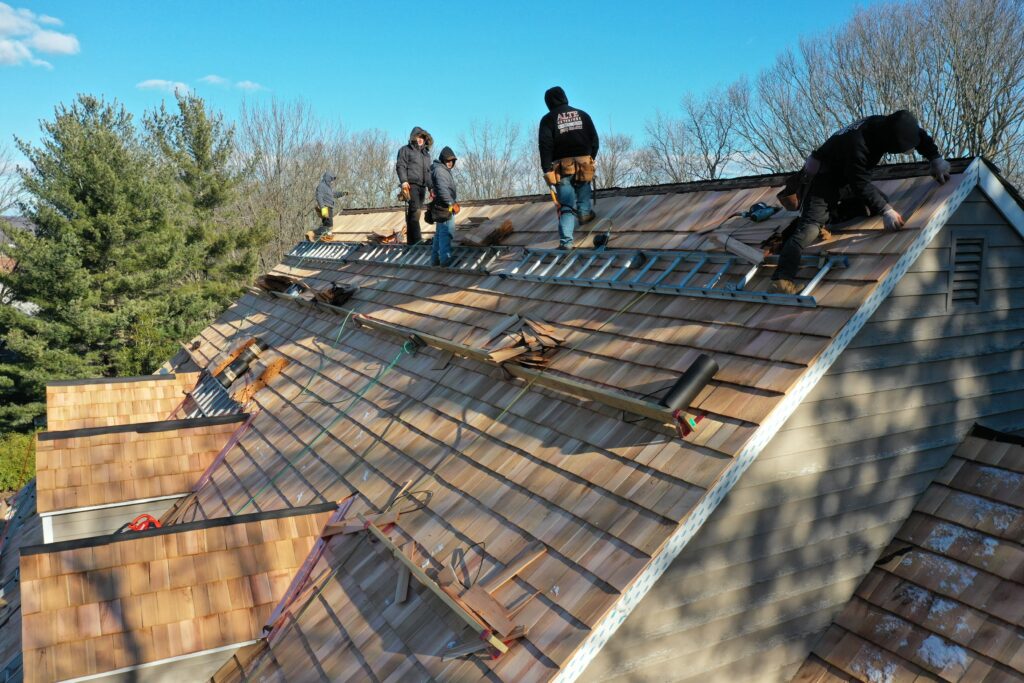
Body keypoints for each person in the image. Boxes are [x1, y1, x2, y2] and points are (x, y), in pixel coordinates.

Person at [771, 110, 951, 294]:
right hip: (822, 178)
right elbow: (859, 184)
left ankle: (829, 219)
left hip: (844, 174)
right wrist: (886, 211)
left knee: (876, 204)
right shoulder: (858, 144)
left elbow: (917, 134)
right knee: (810, 227)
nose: (908, 151)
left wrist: (935, 158)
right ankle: (782, 279)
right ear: (890, 142)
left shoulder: (891, 125)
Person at [538, 86, 600, 250]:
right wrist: (591, 157)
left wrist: (547, 169)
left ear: (548, 102)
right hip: (584, 160)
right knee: (583, 185)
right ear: (564, 97)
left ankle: (566, 242)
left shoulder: (548, 119)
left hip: (562, 165)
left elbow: (545, 146)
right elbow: (594, 139)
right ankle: (585, 213)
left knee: (566, 205)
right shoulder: (583, 115)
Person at [395, 126, 434, 244]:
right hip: (411, 185)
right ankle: (417, 240)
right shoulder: (405, 150)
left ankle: (411, 243)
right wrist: (404, 181)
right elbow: (400, 166)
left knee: (414, 213)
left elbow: (428, 172)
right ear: (414, 137)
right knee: (415, 211)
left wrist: (431, 187)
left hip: (422, 186)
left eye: (423, 137)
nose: (421, 139)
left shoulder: (426, 154)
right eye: (418, 136)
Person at [428, 146, 460, 266]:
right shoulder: (440, 171)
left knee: (439, 234)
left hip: (441, 206)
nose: (450, 163)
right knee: (446, 232)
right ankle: (446, 259)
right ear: (443, 160)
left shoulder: (440, 170)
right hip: (445, 207)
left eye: (452, 161)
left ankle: (435, 260)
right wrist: (452, 204)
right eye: (448, 160)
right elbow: (442, 190)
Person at [313, 171, 346, 240]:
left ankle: (324, 235)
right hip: (325, 207)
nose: (332, 181)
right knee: (329, 223)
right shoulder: (321, 186)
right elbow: (319, 196)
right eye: (331, 179)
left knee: (327, 223)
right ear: (327, 178)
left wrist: (343, 193)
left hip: (329, 207)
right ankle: (318, 234)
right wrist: (322, 207)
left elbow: (335, 194)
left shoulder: (328, 188)